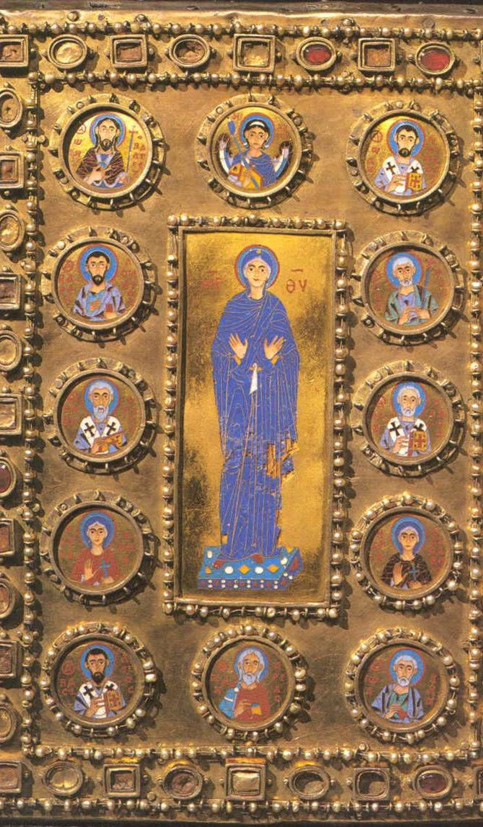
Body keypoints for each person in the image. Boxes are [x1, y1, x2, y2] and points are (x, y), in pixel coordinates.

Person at [207, 245, 300, 569]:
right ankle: (233, 545)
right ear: (243, 272)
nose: (257, 273)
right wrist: (241, 359)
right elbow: (218, 355)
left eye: (262, 268)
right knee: (236, 469)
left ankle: (264, 545)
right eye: (252, 268)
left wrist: (268, 359)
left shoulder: (275, 308)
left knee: (265, 470)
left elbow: (291, 357)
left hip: (269, 407)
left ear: (270, 274)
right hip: (238, 405)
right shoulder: (234, 308)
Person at [218, 114, 290, 191]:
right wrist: (244, 183)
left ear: (266, 137)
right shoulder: (239, 158)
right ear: (246, 134)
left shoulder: (267, 161)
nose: (256, 139)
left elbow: (271, 186)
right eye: (252, 134)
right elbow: (231, 182)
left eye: (261, 135)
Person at [74, 378, 126, 456]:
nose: (101, 402)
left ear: (111, 398)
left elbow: (124, 449)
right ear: (90, 398)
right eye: (96, 396)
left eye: (105, 396)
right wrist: (91, 451)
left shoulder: (115, 424)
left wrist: (108, 448)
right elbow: (77, 452)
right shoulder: (85, 424)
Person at [374, 120, 426, 197]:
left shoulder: (416, 167)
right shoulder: (388, 164)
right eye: (402, 138)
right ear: (396, 138)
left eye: (410, 139)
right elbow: (374, 189)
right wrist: (389, 187)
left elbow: (422, 194)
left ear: (416, 141)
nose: (405, 143)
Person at [218, 647, 271, 723]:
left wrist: (257, 714)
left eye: (255, 663)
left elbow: (267, 717)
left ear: (260, 667)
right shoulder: (232, 691)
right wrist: (235, 712)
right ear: (240, 665)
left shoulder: (262, 693)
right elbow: (221, 714)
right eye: (247, 663)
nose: (250, 668)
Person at [384, 252, 438, 327]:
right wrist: (401, 320)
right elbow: (387, 322)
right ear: (395, 274)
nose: (404, 274)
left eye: (407, 270)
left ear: (413, 270)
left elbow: (437, 313)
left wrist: (426, 314)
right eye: (400, 271)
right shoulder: (393, 299)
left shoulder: (425, 294)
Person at [371, 649, 425, 724]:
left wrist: (403, 714)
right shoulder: (387, 690)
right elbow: (374, 713)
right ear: (395, 668)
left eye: (409, 669)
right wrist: (386, 716)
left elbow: (419, 720)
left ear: (414, 671)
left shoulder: (415, 695)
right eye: (401, 667)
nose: (404, 673)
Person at [72, 247, 125, 323]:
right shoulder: (84, 291)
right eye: (93, 265)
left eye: (101, 265)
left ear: (107, 266)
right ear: (87, 267)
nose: (97, 270)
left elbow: (122, 315)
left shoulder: (112, 291)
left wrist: (113, 316)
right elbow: (76, 315)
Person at [379, 382, 431, 458]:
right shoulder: (392, 424)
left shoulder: (421, 426)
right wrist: (394, 449)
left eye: (413, 400)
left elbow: (428, 452)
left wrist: (420, 448)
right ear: (398, 400)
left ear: (418, 402)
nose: (408, 404)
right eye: (405, 399)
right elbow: (380, 450)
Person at [75, 114, 127, 189]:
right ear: (97, 130)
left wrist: (123, 179)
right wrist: (91, 179)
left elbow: (123, 186)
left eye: (111, 130)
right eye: (103, 129)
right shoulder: (90, 154)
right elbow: (77, 181)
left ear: (117, 132)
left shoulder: (117, 157)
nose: (107, 134)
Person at [380, 516, 432, 590]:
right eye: (404, 536)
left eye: (412, 537)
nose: (408, 541)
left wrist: (420, 586)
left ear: (417, 539)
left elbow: (429, 585)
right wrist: (396, 582)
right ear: (399, 539)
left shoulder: (420, 561)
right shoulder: (393, 561)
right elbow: (383, 586)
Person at [74, 647, 125, 720]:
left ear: (107, 662)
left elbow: (122, 714)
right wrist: (90, 711)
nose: (97, 667)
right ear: (86, 665)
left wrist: (117, 710)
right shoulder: (83, 689)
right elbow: (77, 717)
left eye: (101, 662)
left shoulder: (113, 687)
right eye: (92, 663)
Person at [70, 511, 118, 588]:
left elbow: (118, 576)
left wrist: (111, 580)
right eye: (92, 531)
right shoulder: (84, 555)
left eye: (100, 531)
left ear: (106, 534)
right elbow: (74, 579)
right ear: (87, 534)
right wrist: (86, 577)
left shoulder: (110, 554)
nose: (96, 535)